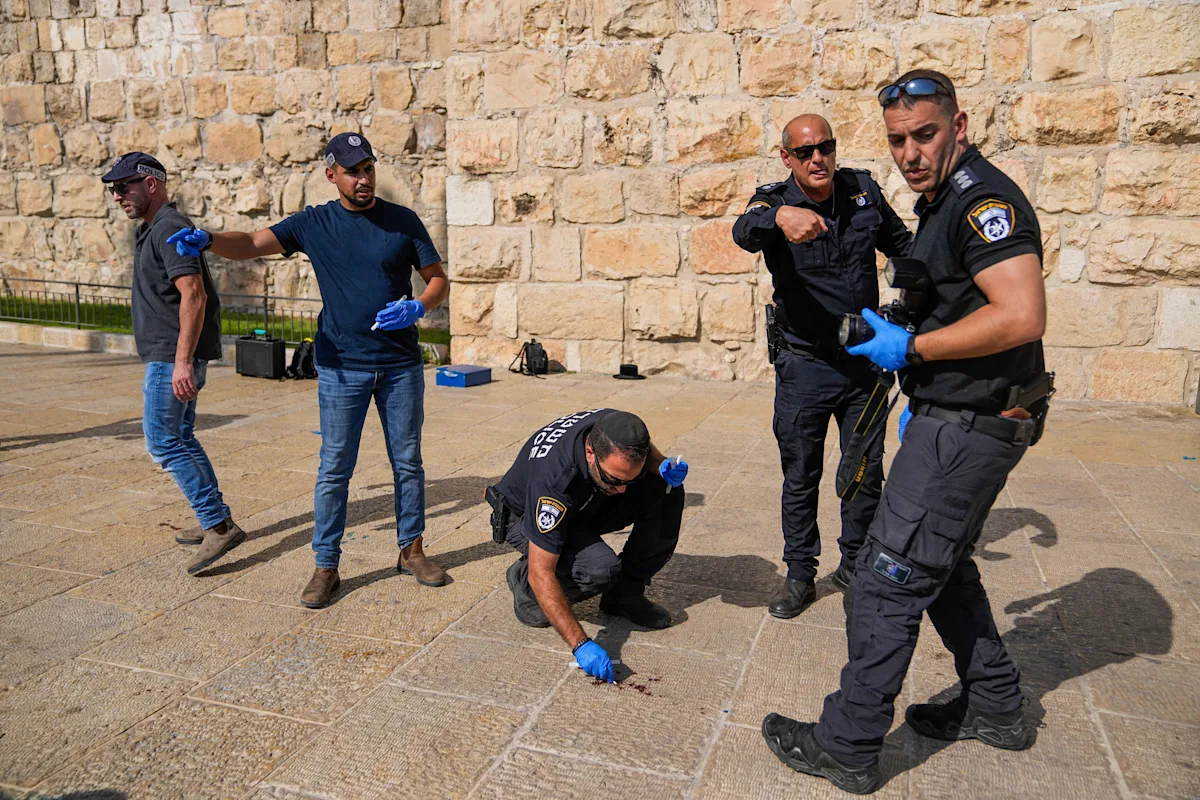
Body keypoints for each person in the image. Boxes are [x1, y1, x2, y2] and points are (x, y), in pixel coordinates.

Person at [761, 70, 1051, 794]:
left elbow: (1020, 315)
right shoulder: (941, 200)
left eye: (925, 134)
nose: (911, 152)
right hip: (960, 413)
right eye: (898, 139)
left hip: (970, 424)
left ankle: (848, 743)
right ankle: (996, 702)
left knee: (886, 581)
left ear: (959, 124)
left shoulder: (982, 200)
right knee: (943, 564)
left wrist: (912, 350)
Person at [167, 132, 450, 608]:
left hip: (400, 365)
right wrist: (209, 240)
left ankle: (412, 550)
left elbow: (438, 279)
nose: (363, 179)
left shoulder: (402, 221)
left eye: (368, 169)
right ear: (331, 174)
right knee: (334, 469)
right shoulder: (313, 223)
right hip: (342, 367)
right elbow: (253, 243)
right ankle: (326, 565)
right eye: (353, 171)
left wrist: (418, 308)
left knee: (408, 463)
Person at [732, 115, 912, 619]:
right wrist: (780, 219)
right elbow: (743, 231)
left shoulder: (862, 192)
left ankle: (855, 566)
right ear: (787, 157)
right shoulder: (772, 199)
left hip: (864, 367)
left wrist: (917, 312)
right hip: (805, 367)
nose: (818, 159)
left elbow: (904, 248)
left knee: (862, 474)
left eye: (826, 148)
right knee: (801, 475)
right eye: (806, 151)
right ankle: (799, 574)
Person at [100, 153, 245, 575]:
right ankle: (216, 519)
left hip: (171, 357)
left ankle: (217, 525)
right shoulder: (153, 229)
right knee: (181, 435)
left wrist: (182, 362)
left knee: (163, 442)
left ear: (151, 184)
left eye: (123, 186)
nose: (117, 196)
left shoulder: (168, 228)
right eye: (113, 189)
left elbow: (194, 296)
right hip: (172, 354)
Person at [487, 409, 689, 682]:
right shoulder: (555, 482)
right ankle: (522, 583)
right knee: (599, 569)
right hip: (523, 516)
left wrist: (661, 465)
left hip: (585, 498)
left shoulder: (615, 428)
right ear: (591, 452)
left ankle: (624, 595)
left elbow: (643, 451)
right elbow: (542, 572)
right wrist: (580, 644)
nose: (623, 491)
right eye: (615, 480)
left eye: (630, 479)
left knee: (666, 490)